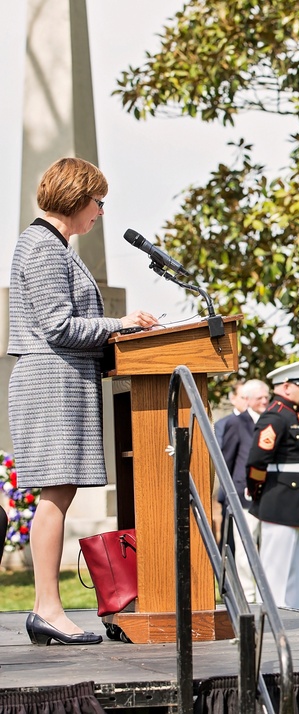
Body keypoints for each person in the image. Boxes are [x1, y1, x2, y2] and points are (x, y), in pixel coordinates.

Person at [8, 157, 159, 646]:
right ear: (77, 198)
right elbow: (57, 326)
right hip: (49, 384)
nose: (100, 212)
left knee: (60, 493)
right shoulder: (43, 246)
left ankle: (46, 609)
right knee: (55, 494)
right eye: (98, 202)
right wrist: (122, 325)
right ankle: (48, 609)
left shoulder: (56, 244)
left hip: (58, 382)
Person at [246, 359, 299, 610]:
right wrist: (257, 492)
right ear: (286, 387)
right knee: (275, 567)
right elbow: (257, 460)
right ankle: (271, 614)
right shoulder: (276, 415)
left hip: (298, 500)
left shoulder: (294, 415)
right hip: (279, 499)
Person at [218, 379, 270, 604]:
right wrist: (229, 493)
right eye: (260, 397)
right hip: (244, 495)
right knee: (244, 547)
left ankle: (266, 593)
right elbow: (227, 461)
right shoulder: (237, 424)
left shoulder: (273, 423)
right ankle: (248, 595)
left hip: (269, 496)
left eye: (267, 397)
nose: (264, 401)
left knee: (268, 546)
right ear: (247, 400)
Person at [214, 379, 247, 445]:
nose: (248, 401)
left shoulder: (260, 421)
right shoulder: (222, 425)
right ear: (233, 399)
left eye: (250, 398)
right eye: (243, 398)